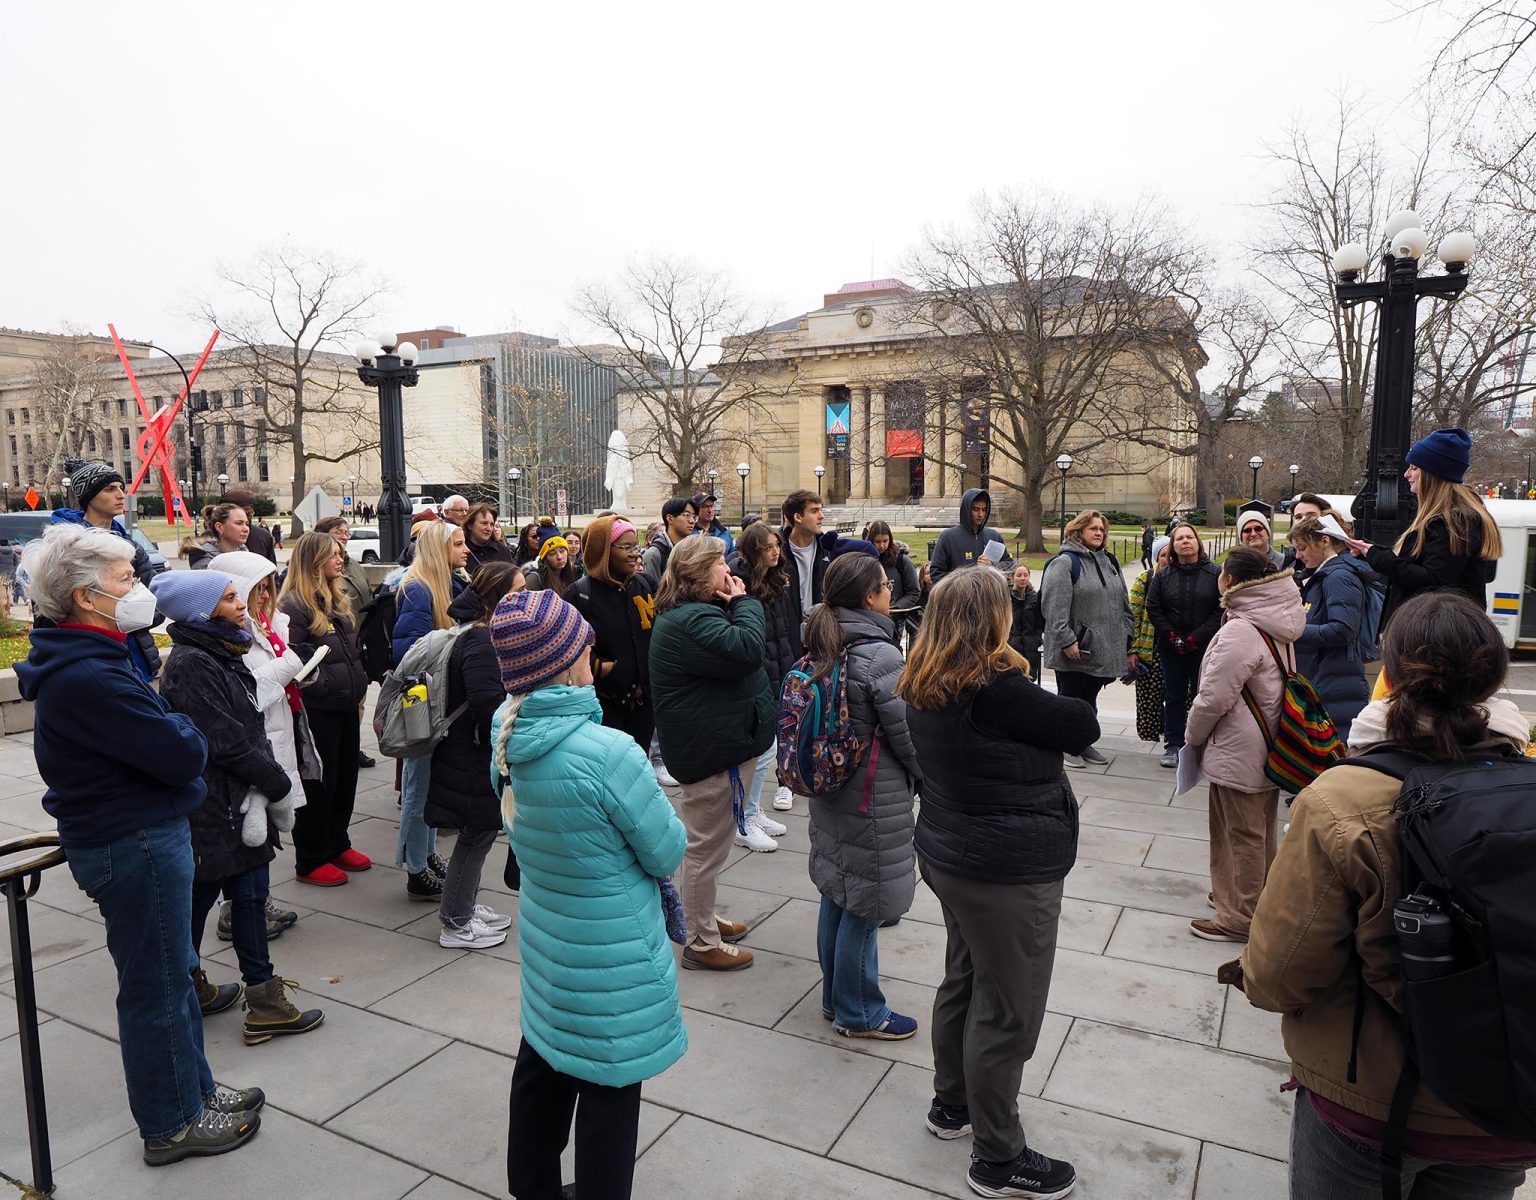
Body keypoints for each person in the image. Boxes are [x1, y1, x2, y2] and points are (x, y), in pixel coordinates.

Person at [1233, 592, 1536, 1199]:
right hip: (1506, 1104)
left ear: (1389, 676)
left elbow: (1277, 977)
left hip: (1369, 1100)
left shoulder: (1341, 798)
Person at [14, 524, 264, 1165]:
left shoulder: (95, 659)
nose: (138, 588)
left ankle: (195, 1093)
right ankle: (172, 1122)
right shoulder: (91, 675)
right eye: (125, 579)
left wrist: (168, 722)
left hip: (141, 834)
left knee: (174, 977)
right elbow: (183, 751)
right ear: (85, 598)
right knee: (157, 987)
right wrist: (176, 724)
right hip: (136, 841)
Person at [899, 567, 1096, 1200]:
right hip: (1004, 866)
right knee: (1008, 1009)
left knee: (964, 976)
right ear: (990, 622)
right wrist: (1013, 669)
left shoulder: (925, 677)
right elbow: (1081, 723)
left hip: (953, 852)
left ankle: (952, 1104)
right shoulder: (993, 689)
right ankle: (998, 1157)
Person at [489, 589, 687, 1200]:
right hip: (611, 959)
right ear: (564, 662)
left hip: (551, 948)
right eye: (584, 646)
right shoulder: (605, 752)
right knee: (608, 1098)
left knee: (542, 1071)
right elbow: (666, 849)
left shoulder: (507, 728)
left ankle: (534, 1188)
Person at [153, 570, 325, 1046]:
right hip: (219, 804)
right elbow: (223, 738)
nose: (242, 605)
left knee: (242, 897)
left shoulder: (217, 651)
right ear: (201, 611)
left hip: (231, 801)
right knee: (211, 897)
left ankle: (246, 994)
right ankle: (221, 993)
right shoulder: (193, 662)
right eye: (230, 599)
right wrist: (274, 780)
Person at [803, 553, 923, 1038]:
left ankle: (836, 997)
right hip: (874, 798)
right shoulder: (880, 655)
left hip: (832, 788)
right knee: (866, 904)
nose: (892, 591)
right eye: (885, 586)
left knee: (838, 890)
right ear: (869, 597)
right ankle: (861, 1012)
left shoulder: (823, 639)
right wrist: (930, 777)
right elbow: (908, 736)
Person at [648, 535, 773, 971]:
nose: (729, 570)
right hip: (710, 753)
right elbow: (748, 649)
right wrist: (745, 601)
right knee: (704, 849)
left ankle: (701, 915)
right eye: (720, 563)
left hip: (716, 746)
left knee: (710, 847)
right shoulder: (692, 620)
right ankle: (700, 941)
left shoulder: (694, 614)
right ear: (701, 573)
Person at [1183, 546, 1305, 943]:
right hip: (1270, 739)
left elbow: (1214, 697)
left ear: (1230, 581)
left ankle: (1240, 915)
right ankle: (1242, 895)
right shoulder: (1275, 616)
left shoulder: (1242, 627)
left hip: (1240, 744)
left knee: (1239, 832)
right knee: (1259, 828)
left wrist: (1192, 737)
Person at [208, 550, 319, 942]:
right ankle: (233, 909)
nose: (263, 599)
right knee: (247, 831)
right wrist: (290, 665)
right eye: (256, 591)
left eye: (267, 590)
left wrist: (303, 669)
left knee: (266, 829)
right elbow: (249, 689)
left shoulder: (271, 626)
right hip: (255, 741)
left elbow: (280, 676)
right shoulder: (227, 639)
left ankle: (259, 900)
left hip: (278, 731)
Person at [426, 562, 522, 949]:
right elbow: (487, 702)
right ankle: (455, 922)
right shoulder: (482, 639)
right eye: (515, 592)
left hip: (470, 752)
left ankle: (462, 905)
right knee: (476, 834)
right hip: (472, 755)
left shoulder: (484, 632)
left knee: (478, 835)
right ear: (497, 597)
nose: (522, 598)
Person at [278, 532, 370, 887]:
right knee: (319, 782)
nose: (340, 559)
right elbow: (293, 659)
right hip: (317, 709)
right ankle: (311, 856)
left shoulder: (334, 599)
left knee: (345, 777)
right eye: (333, 554)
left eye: (341, 553)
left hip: (345, 704)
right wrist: (321, 686)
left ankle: (337, 841)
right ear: (314, 560)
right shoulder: (294, 606)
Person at [1344, 427, 1501, 632]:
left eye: (1414, 468)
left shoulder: (1455, 521)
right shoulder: (1460, 516)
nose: (1406, 474)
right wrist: (1371, 552)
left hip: (1434, 633)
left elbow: (1432, 579)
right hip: (1438, 628)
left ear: (1433, 474)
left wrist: (1377, 557)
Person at [392, 521, 470, 900]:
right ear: (440, 551)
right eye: (458, 544)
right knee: (418, 785)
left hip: (439, 699)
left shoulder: (449, 583)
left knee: (429, 784)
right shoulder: (416, 589)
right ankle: (414, 867)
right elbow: (409, 654)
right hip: (422, 702)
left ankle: (426, 852)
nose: (466, 549)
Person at [49, 457, 162, 681]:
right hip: (88, 659)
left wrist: (137, 614)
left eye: (121, 488)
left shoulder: (133, 548)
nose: (120, 495)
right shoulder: (65, 549)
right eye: (110, 489)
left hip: (136, 658)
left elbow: (157, 599)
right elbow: (51, 611)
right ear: (89, 497)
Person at [1039, 508, 1132, 768]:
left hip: (1103, 648)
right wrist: (1068, 641)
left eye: (1102, 529)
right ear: (1078, 531)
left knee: (1089, 701)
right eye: (1093, 528)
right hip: (1075, 649)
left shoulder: (1109, 562)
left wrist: (1127, 631)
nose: (1099, 533)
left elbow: (1123, 602)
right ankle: (1065, 746)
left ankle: (1081, 742)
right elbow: (1053, 609)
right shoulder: (1065, 563)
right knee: (1071, 700)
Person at [730, 520, 798, 851]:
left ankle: (752, 811)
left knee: (769, 746)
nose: (775, 552)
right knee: (761, 749)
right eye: (768, 547)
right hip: (755, 677)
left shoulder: (776, 580)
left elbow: (785, 631)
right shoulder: (739, 584)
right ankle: (743, 819)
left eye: (777, 546)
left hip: (778, 671)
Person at [564, 514, 656, 751]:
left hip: (644, 705)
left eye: (635, 545)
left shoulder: (645, 585)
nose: (634, 553)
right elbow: (564, 648)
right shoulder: (580, 595)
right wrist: (601, 667)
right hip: (604, 706)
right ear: (602, 550)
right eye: (625, 547)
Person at [1146, 522, 1224, 770]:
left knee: (1202, 696)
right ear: (1173, 545)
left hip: (1204, 647)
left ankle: (1200, 743)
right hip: (1171, 647)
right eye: (1179, 538)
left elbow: (1221, 607)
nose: (1185, 541)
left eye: (1190, 537)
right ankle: (1173, 742)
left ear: (1198, 542)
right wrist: (1170, 635)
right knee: (1175, 696)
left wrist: (1196, 637)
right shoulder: (1163, 576)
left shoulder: (1215, 573)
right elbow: (1154, 608)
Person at [1289, 513, 1369, 743]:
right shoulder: (1328, 574)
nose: (1298, 555)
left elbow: (1343, 629)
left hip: (1334, 681)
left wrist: (1294, 631)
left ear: (1324, 541)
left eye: (1303, 547)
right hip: (1329, 677)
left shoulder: (1339, 576)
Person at [313, 516, 377, 771]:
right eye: (338, 532)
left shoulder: (355, 566)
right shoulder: (317, 579)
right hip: (332, 653)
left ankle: (353, 746)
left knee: (357, 700)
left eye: (346, 532)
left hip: (356, 645)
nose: (344, 536)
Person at [1127, 536, 1172, 748]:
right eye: (1163, 555)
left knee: (1177, 697)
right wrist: (1132, 649)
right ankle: (1149, 737)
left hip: (1175, 648)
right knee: (1149, 699)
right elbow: (1132, 616)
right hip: (1149, 649)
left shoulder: (1183, 579)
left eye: (1171, 554)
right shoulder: (1144, 580)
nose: (1168, 559)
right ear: (1156, 557)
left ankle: (1173, 735)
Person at [928, 487, 1015, 581]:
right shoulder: (948, 537)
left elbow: (1009, 565)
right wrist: (963, 582)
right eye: (976, 509)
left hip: (988, 594)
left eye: (984, 510)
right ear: (967, 509)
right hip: (959, 594)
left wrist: (992, 565)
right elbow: (936, 573)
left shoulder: (994, 536)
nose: (980, 514)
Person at [868, 520, 922, 644]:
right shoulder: (864, 560)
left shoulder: (901, 561)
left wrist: (897, 607)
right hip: (869, 619)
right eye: (877, 542)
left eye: (885, 541)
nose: (881, 546)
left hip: (894, 621)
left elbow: (914, 591)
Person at [640, 497, 696, 583]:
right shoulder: (653, 555)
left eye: (694, 517)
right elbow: (652, 592)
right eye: (686, 515)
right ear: (669, 518)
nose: (692, 521)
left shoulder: (694, 551)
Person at [1007, 563, 1044, 681]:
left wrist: (1036, 639)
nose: (1022, 578)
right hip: (1011, 647)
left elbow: (1040, 621)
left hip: (1030, 647)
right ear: (1012, 578)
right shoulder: (1006, 598)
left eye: (1025, 575)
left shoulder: (1035, 598)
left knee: (1030, 680)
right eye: (1019, 575)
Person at [188, 502, 251, 568]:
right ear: (219, 527)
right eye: (239, 523)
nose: (246, 529)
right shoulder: (206, 562)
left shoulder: (246, 554)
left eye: (247, 524)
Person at [223, 489, 277, 564]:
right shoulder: (209, 542)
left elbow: (272, 573)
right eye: (239, 522)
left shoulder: (263, 537)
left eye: (250, 514)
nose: (245, 530)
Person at [463, 502, 515, 572]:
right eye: (484, 523)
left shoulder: (502, 550)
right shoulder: (461, 550)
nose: (489, 528)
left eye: (491, 524)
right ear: (469, 524)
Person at [692, 490, 735, 555]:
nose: (710, 510)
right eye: (705, 507)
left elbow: (732, 555)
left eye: (711, 506)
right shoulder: (689, 533)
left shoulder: (724, 532)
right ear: (696, 510)